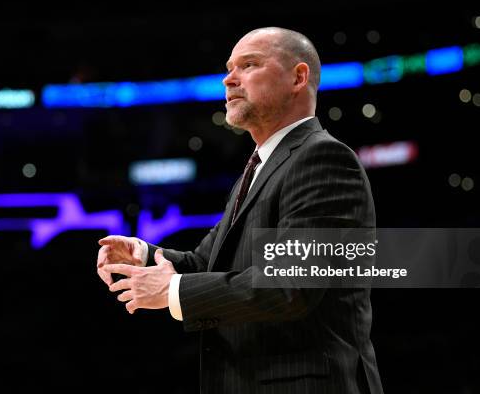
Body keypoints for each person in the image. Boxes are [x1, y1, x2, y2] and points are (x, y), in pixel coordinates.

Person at [97, 27, 384, 394]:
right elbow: (206, 264)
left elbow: (291, 284)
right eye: (229, 68)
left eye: (248, 65)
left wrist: (173, 290)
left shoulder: (323, 158)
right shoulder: (260, 167)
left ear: (298, 77)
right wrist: (146, 255)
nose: (228, 79)